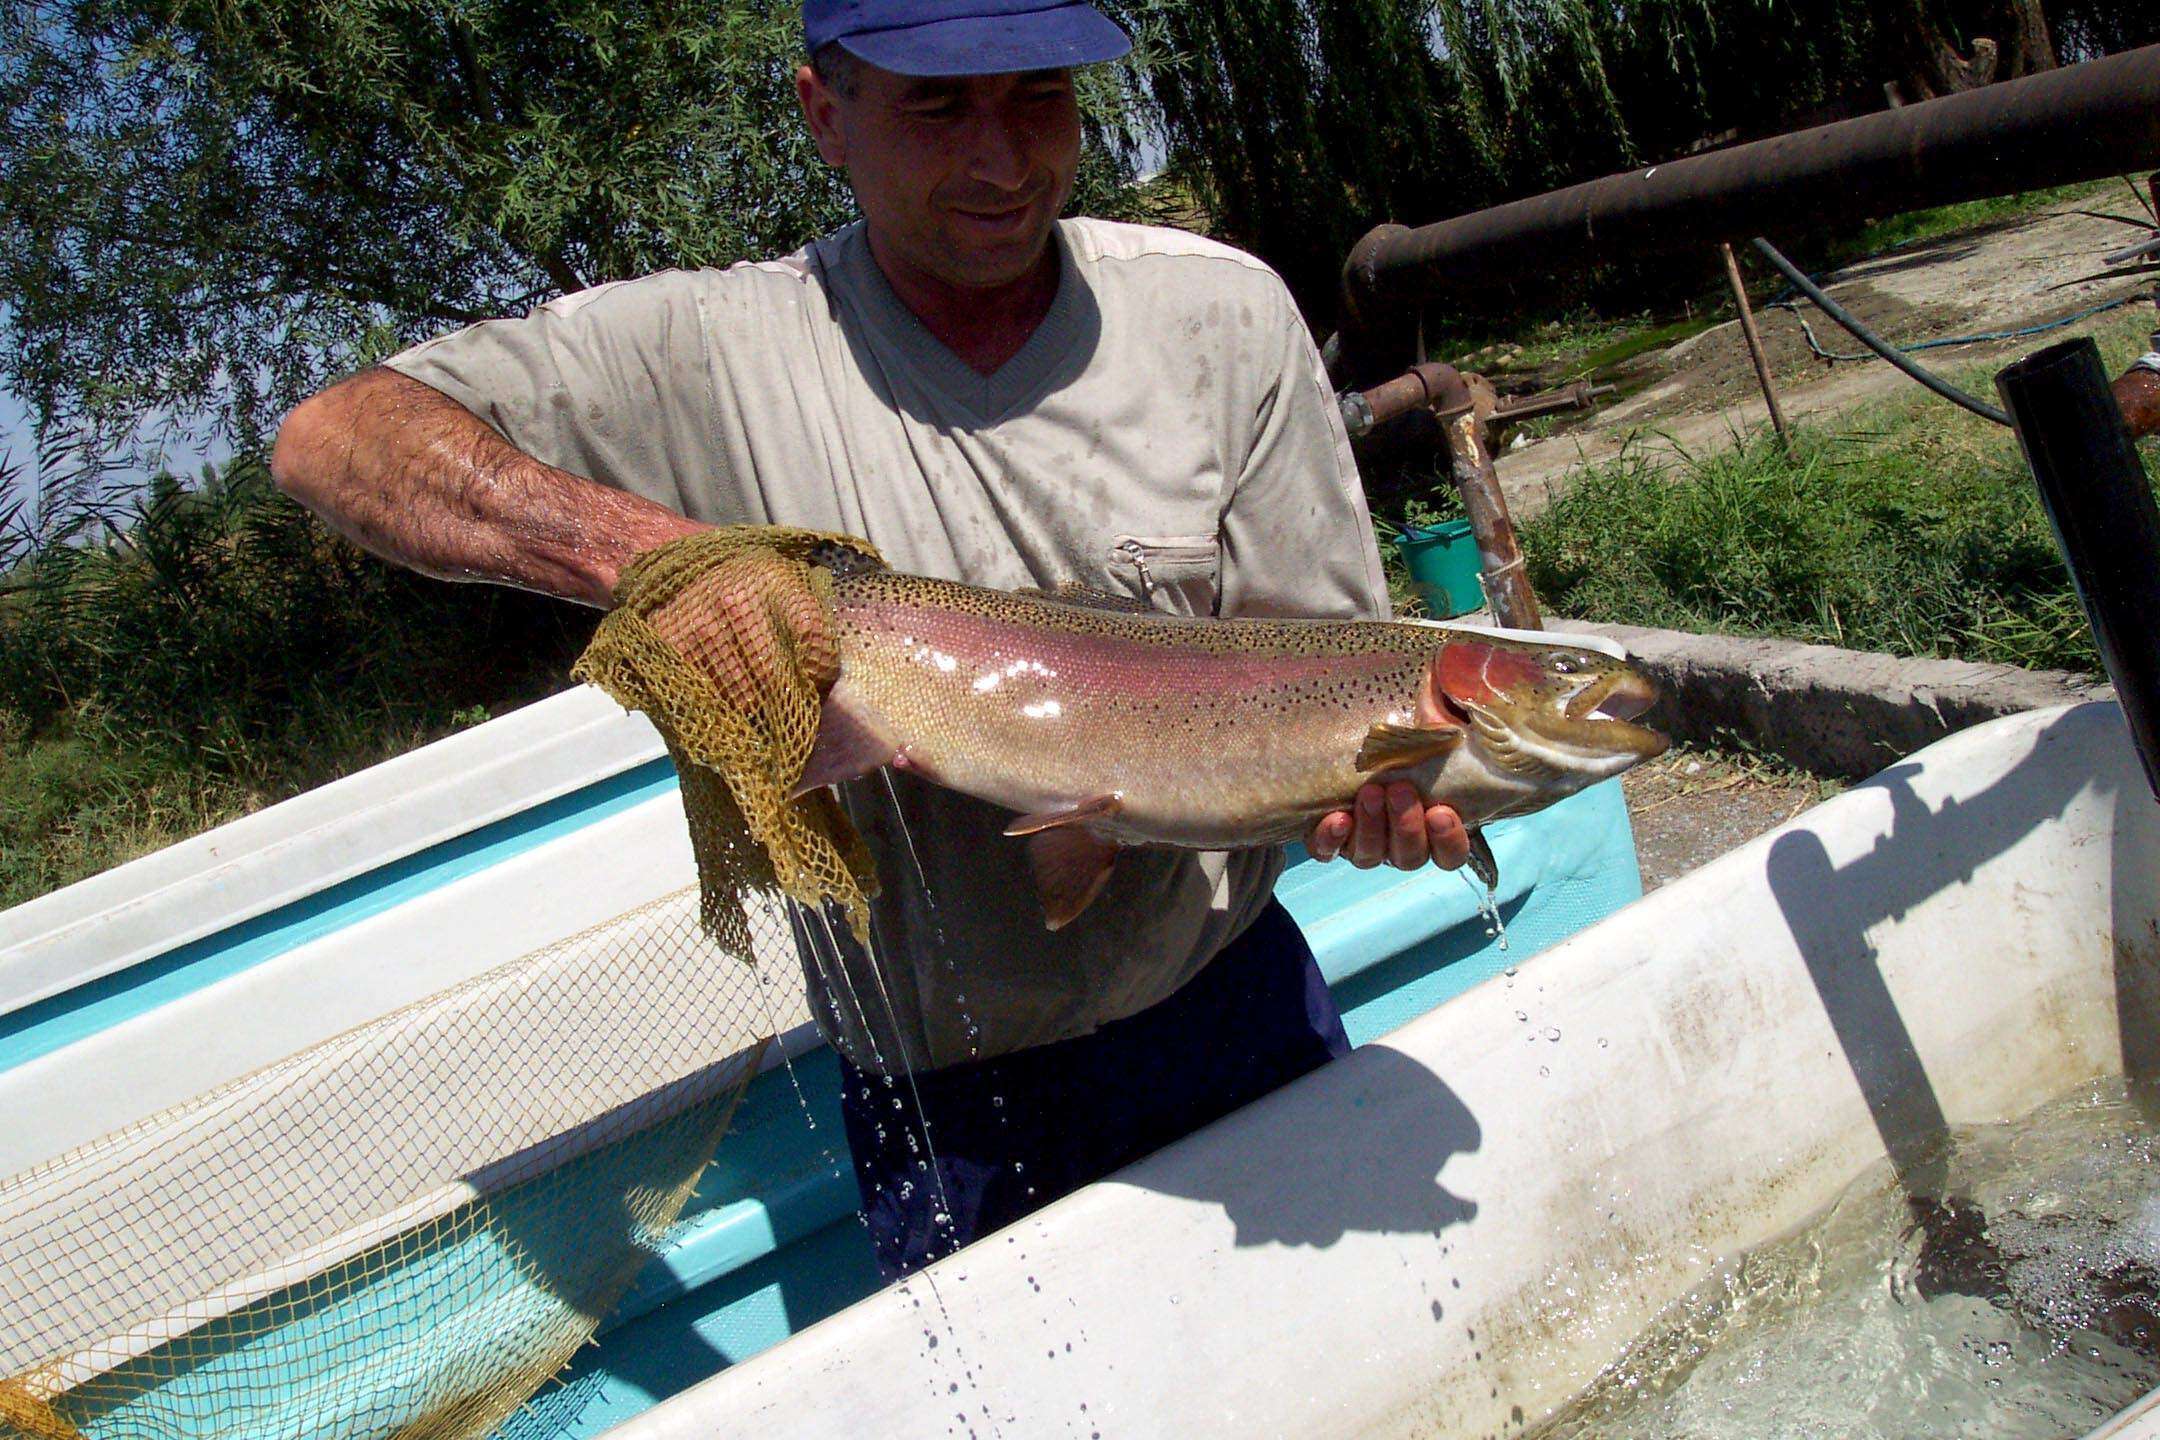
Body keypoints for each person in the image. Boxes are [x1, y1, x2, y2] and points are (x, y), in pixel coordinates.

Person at [271, 0, 1470, 1280]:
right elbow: (335, 439)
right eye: (940, 105)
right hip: (948, 1107)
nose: (1005, 161)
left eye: (1039, 97)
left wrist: (1381, 801)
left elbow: (1329, 665)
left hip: (1235, 1013)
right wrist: (660, 563)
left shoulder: (1217, 318)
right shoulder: (710, 349)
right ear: (823, 115)